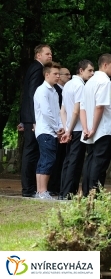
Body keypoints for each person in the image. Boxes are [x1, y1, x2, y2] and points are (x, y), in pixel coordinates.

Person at [81, 54, 111, 195]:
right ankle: (94, 194)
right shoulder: (104, 81)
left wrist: (86, 128)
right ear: (105, 65)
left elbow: (83, 108)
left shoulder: (89, 82)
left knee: (90, 161)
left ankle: (86, 193)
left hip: (90, 129)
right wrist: (94, 128)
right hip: (102, 129)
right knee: (100, 164)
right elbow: (100, 107)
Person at [18, 44, 52, 197]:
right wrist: (33, 119)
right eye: (47, 54)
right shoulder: (38, 69)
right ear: (38, 55)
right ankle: (28, 189)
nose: (50, 56)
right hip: (32, 118)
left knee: (30, 151)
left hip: (28, 116)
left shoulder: (32, 68)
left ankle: (29, 188)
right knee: (31, 152)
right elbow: (32, 95)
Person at [58, 60, 94, 200]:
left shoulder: (67, 85)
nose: (92, 73)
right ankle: (68, 193)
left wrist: (67, 128)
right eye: (89, 71)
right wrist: (70, 130)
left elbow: (62, 110)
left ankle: (63, 192)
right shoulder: (80, 86)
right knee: (75, 162)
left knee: (68, 161)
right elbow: (76, 110)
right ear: (81, 70)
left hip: (71, 128)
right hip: (78, 128)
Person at [33, 62, 64, 199]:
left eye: (59, 74)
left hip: (51, 130)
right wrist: (57, 128)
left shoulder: (54, 91)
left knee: (45, 159)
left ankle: (40, 191)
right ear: (47, 75)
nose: (58, 76)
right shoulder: (42, 90)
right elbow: (46, 112)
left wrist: (60, 126)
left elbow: (57, 112)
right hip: (46, 130)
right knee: (48, 160)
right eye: (55, 74)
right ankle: (42, 191)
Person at [46, 62, 69, 195]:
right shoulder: (56, 91)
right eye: (66, 74)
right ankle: (52, 186)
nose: (69, 76)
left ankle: (56, 185)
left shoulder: (58, 90)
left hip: (60, 127)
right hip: (55, 129)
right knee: (54, 158)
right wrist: (58, 127)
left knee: (60, 158)